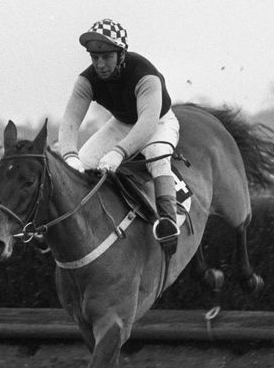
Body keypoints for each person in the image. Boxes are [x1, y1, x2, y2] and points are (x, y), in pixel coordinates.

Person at [57, 18, 181, 255]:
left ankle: (168, 222)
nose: (100, 64)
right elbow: (70, 121)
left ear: (121, 54)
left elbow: (147, 122)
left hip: (158, 122)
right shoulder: (86, 80)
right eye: (94, 58)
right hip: (122, 123)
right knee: (81, 163)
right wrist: (69, 154)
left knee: (157, 155)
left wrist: (119, 152)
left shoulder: (145, 74)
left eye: (106, 57)